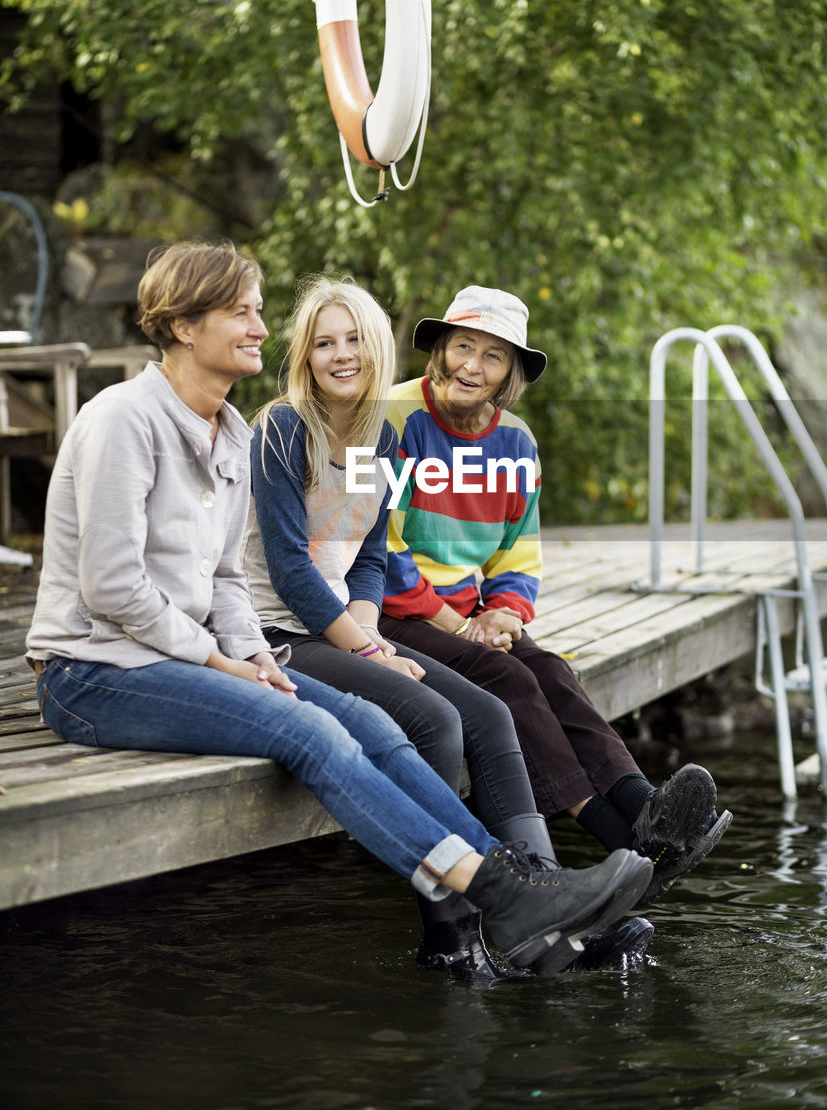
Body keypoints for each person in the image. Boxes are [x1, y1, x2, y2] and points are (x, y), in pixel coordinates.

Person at [24, 242, 653, 982]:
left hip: (199, 653)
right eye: (243, 312)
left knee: (383, 724)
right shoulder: (128, 422)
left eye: (260, 312)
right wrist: (230, 657)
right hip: (94, 672)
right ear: (186, 326)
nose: (263, 328)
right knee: (312, 727)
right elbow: (113, 590)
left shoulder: (228, 431)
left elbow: (237, 574)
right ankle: (497, 894)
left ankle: (526, 901)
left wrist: (249, 654)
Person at [241, 275, 653, 979]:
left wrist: (372, 636)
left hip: (342, 626)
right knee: (437, 719)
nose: (341, 356)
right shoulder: (284, 427)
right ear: (303, 355)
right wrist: (373, 650)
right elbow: (292, 572)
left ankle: (547, 907)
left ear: (376, 351)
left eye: (354, 342)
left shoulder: (374, 434)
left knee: (491, 714)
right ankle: (450, 936)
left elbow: (368, 556)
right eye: (323, 343)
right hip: (278, 633)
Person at [379, 286, 733, 900]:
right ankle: (623, 847)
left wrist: (505, 613)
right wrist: (456, 624)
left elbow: (518, 552)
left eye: (493, 357)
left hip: (470, 614)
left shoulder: (515, 441)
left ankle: (644, 809)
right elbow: (377, 549)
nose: (471, 366)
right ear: (439, 349)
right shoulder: (390, 417)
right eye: (462, 346)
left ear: (510, 374)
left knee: (551, 671)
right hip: (389, 614)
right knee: (511, 682)